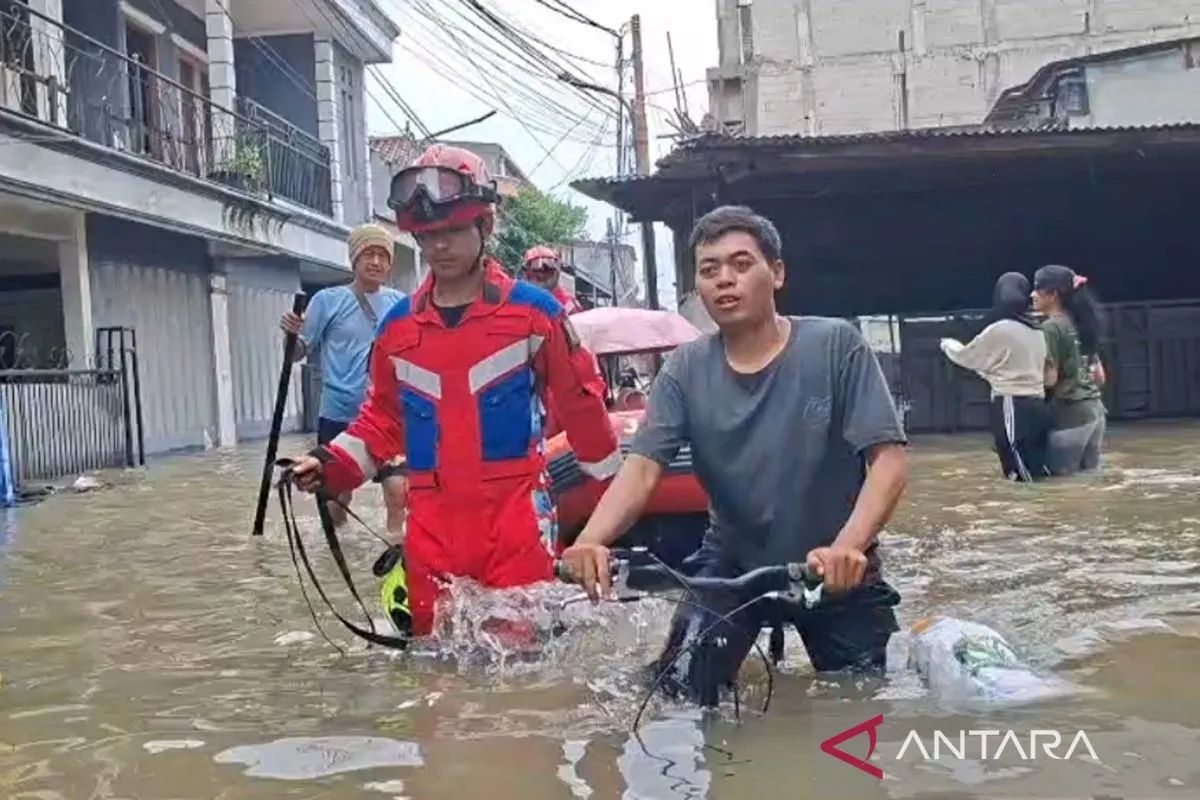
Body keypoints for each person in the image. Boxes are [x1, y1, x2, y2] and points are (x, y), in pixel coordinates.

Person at [558, 205, 909, 705]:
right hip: (731, 561)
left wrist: (847, 548)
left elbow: (888, 460)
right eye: (709, 269)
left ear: (778, 272)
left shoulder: (836, 346)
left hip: (832, 561)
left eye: (741, 265)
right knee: (674, 691)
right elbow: (642, 469)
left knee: (866, 701)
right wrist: (590, 541)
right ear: (698, 287)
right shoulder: (684, 369)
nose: (725, 280)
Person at [287, 144, 621, 637]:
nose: (439, 247)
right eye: (428, 236)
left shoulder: (536, 315)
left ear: (484, 227)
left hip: (514, 523)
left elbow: (582, 405)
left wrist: (611, 510)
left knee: (521, 679)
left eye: (451, 232)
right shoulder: (398, 329)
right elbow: (382, 418)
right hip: (430, 532)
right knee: (435, 677)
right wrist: (331, 465)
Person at [279, 223, 407, 537]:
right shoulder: (327, 300)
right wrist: (291, 335)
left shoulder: (402, 305)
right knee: (337, 499)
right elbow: (296, 355)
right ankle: (339, 550)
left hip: (388, 417)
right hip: (338, 414)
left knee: (397, 491)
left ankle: (398, 554)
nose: (376, 261)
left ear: (390, 264)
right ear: (354, 259)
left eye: (382, 255)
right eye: (368, 254)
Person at [940, 272, 1050, 482]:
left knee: (1018, 475)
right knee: (1035, 470)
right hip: (1038, 405)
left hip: (1012, 404)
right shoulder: (1037, 331)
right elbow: (1004, 366)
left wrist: (948, 345)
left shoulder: (999, 330)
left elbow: (968, 357)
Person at [1032, 264, 1108, 475]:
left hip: (1070, 413)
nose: (1032, 294)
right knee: (1090, 477)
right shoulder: (1083, 323)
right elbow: (1100, 377)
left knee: (1063, 481)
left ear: (1053, 294)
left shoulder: (1052, 327)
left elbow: (1050, 379)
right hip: (1095, 411)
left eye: (1037, 288)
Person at [521, 245, 583, 315]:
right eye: (536, 271)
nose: (541, 275)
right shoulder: (518, 301)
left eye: (547, 270)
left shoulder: (568, 305)